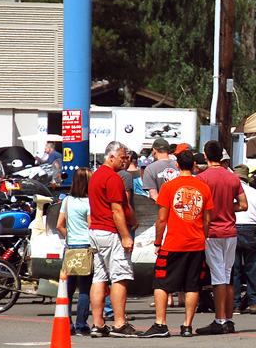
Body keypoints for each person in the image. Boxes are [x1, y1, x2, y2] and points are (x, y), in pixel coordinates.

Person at [145, 149, 213, 338]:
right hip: (197, 243)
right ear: (194, 166)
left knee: (161, 282)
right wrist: (203, 236)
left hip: (173, 242)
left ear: (177, 165)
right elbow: (208, 219)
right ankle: (187, 325)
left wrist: (158, 241)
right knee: (193, 285)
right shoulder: (204, 187)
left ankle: (161, 323)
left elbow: (161, 218)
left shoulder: (169, 187)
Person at [88, 141, 139, 337]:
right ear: (111, 157)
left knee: (100, 276)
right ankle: (119, 323)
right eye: (122, 158)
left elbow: (121, 205)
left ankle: (98, 323)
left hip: (96, 231)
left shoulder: (96, 176)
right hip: (111, 232)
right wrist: (125, 236)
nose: (125, 161)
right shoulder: (113, 177)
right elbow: (117, 208)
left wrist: (131, 218)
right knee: (120, 276)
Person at [197, 140, 246, 335]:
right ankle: (229, 318)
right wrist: (226, 207)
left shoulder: (201, 178)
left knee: (218, 277)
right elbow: (243, 205)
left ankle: (219, 319)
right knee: (227, 275)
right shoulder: (233, 177)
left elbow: (199, 206)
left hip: (212, 231)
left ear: (206, 156)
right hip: (230, 230)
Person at [56, 167, 94, 336]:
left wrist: (70, 236)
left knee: (68, 289)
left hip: (70, 247)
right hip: (85, 247)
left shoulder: (67, 201)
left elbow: (59, 225)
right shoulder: (89, 202)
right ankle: (81, 324)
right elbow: (91, 226)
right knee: (85, 289)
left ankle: (66, 322)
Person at [232, 164, 256, 314]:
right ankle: (255, 302)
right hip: (251, 230)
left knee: (233, 268)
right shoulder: (254, 193)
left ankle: (235, 304)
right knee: (253, 266)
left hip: (233, 228)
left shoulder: (231, 192)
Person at [140, 137, 178, 201]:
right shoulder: (178, 165)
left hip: (161, 208)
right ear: (168, 151)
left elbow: (154, 196)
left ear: (154, 151)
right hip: (179, 207)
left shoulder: (150, 169)